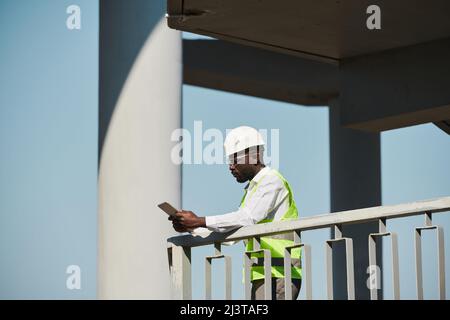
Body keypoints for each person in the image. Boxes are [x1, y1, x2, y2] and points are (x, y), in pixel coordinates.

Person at [170, 126, 301, 300]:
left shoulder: (272, 181)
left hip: (279, 273)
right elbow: (235, 234)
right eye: (229, 161)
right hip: (263, 274)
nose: (231, 167)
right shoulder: (253, 191)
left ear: (253, 156)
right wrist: (191, 227)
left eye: (235, 160)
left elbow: (246, 218)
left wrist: (199, 221)